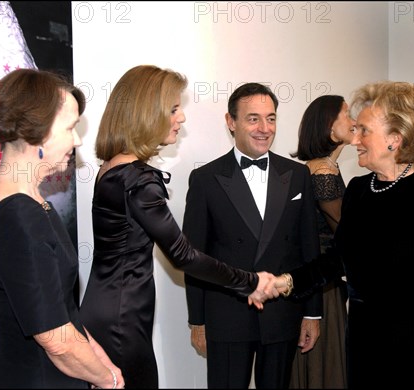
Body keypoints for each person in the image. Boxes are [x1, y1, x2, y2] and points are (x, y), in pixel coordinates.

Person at [275, 81, 414, 389]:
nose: (355, 140)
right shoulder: (360, 190)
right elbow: (338, 259)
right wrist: (287, 281)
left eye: (364, 131)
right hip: (365, 339)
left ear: (394, 139)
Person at [78, 66, 279, 389]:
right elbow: (184, 255)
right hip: (123, 320)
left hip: (106, 310)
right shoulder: (138, 179)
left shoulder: (112, 168)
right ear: (147, 112)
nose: (181, 118)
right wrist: (250, 282)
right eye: (173, 109)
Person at [182, 82, 322, 389]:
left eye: (271, 118)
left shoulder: (298, 174)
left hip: (282, 312)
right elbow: (195, 258)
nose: (264, 128)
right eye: (253, 118)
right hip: (227, 314)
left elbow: (309, 247)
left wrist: (313, 314)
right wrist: (198, 320)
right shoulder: (205, 179)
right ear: (231, 122)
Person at [0, 68, 125, 389]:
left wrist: (103, 366)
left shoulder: (32, 202)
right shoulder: (19, 215)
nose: (77, 140)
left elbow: (65, 313)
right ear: (37, 132)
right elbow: (56, 339)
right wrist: (107, 380)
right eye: (70, 128)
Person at [288, 95, 355, 388]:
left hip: (320, 282)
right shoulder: (323, 172)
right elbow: (353, 233)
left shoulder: (318, 167)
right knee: (325, 369)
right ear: (330, 127)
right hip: (322, 288)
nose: (355, 122)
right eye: (348, 114)